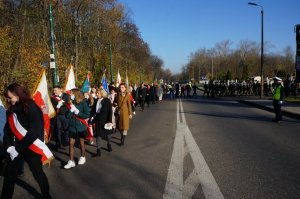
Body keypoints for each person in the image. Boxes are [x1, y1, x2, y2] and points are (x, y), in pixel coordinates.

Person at [2, 83, 52, 199]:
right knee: (9, 176)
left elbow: (34, 132)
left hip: (31, 147)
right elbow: (7, 130)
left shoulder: (32, 108)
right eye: (7, 98)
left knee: (38, 174)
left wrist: (18, 148)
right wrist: (9, 146)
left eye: (10, 97)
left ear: (18, 95)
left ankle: (46, 196)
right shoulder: (11, 110)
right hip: (15, 148)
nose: (8, 100)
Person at [64, 88, 90, 169]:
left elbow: (87, 115)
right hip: (72, 126)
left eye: (71, 93)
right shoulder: (70, 103)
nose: (70, 95)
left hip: (80, 126)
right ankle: (71, 161)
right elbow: (67, 116)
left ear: (76, 94)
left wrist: (78, 113)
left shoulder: (83, 102)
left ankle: (82, 156)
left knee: (81, 142)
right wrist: (71, 110)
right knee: (71, 143)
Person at [91, 88, 113, 156]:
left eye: (98, 93)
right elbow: (93, 111)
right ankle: (98, 150)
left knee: (108, 134)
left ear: (102, 94)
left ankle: (109, 144)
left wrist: (109, 121)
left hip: (106, 120)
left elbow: (110, 111)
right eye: (96, 93)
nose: (97, 94)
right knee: (98, 135)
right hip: (98, 120)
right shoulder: (96, 100)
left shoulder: (107, 101)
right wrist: (90, 117)